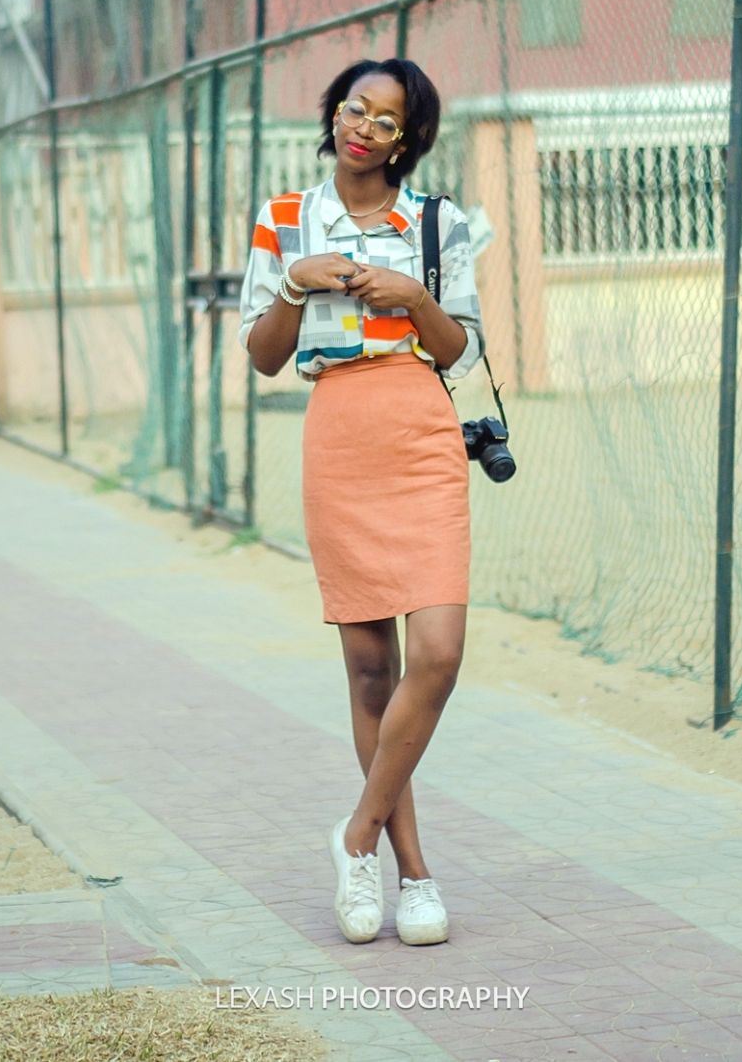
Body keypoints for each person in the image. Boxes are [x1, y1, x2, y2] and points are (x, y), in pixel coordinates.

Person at [239, 59, 483, 946]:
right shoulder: (284, 219)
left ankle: (355, 837)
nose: (364, 129)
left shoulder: (437, 223)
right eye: (354, 109)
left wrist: (414, 297)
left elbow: (459, 350)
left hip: (420, 434)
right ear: (333, 113)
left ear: (407, 139)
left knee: (440, 653)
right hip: (339, 435)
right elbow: (264, 355)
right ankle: (411, 874)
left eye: (386, 120)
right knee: (372, 669)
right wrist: (296, 283)